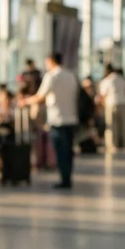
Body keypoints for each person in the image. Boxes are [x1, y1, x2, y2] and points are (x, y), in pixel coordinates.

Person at [19, 53, 80, 189]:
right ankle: (67, 177)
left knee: (60, 151)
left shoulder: (52, 76)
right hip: (71, 118)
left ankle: (64, 179)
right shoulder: (70, 75)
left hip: (57, 119)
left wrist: (25, 102)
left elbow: (40, 96)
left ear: (51, 61)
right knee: (68, 151)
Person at [98, 64, 125, 150]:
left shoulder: (106, 80)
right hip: (123, 103)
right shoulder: (122, 79)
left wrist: (101, 106)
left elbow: (103, 95)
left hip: (111, 104)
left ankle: (113, 145)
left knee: (112, 125)